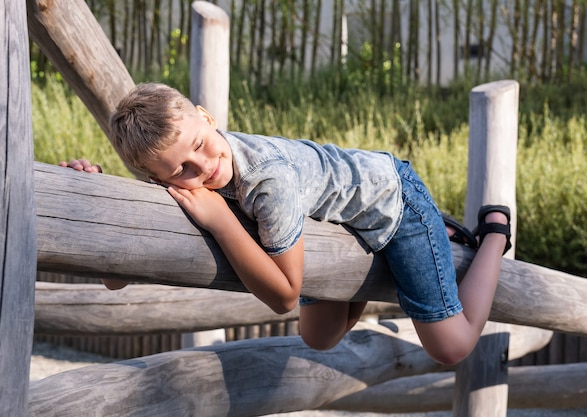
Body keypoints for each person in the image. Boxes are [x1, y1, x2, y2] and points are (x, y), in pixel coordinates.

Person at [61, 82, 511, 365]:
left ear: (207, 117)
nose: (202, 167)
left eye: (201, 143)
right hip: (328, 222)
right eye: (180, 170)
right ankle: (374, 269)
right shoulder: (183, 177)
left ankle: (490, 233)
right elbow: (115, 282)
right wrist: (97, 193)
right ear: (155, 178)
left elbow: (284, 296)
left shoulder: (267, 179)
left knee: (451, 348)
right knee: (319, 339)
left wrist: (221, 221)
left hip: (390, 199)